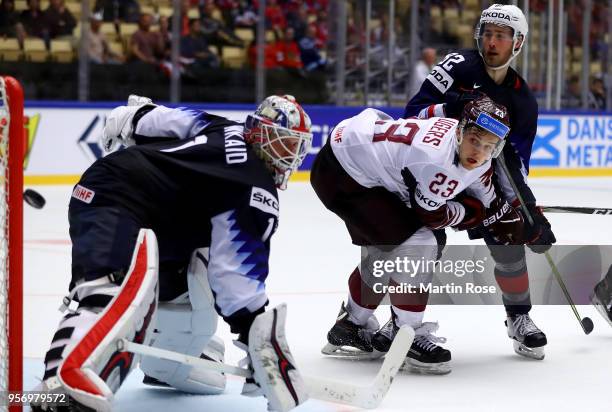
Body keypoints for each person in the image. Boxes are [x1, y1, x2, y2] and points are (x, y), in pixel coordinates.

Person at [30, 95, 313, 412]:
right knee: (112, 289)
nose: (287, 154)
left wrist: (126, 120)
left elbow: (145, 118)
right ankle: (58, 387)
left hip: (154, 215)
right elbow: (236, 279)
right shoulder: (255, 186)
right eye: (282, 142)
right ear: (259, 133)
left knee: (196, 276)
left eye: (293, 146)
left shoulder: (220, 126)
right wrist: (255, 334)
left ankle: (168, 362)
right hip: (117, 198)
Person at [311, 96, 524, 374]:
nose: (479, 152)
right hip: (343, 174)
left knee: (392, 245)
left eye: (488, 146)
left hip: (354, 150)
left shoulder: (462, 141)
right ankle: (407, 335)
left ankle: (350, 324)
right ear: (460, 132)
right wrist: (473, 214)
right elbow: (432, 216)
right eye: (474, 140)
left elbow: (484, 193)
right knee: (420, 242)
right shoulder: (437, 163)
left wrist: (502, 213)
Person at [403, 4, 555, 361]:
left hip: (478, 178)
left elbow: (511, 166)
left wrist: (528, 213)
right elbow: (410, 116)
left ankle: (519, 317)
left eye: (501, 36)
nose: (492, 42)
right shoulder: (456, 66)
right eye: (487, 33)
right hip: (430, 171)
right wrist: (454, 104)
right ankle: (392, 324)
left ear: (518, 42)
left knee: (509, 238)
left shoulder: (522, 100)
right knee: (416, 242)